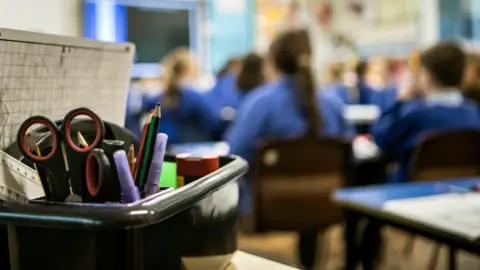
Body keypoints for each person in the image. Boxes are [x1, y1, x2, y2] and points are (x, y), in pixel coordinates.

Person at [225, 29, 354, 270]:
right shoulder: (334, 104)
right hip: (325, 204)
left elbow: (234, 153)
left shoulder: (260, 103)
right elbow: (350, 153)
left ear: (272, 62)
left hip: (269, 207)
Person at [371, 42, 480, 183]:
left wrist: (400, 100)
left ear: (427, 74)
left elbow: (381, 138)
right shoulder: (474, 113)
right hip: (463, 191)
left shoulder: (417, 115)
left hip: (410, 194)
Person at [127, 48, 221, 143]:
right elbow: (213, 121)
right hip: (189, 149)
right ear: (192, 70)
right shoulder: (194, 96)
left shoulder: (159, 96)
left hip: (163, 149)